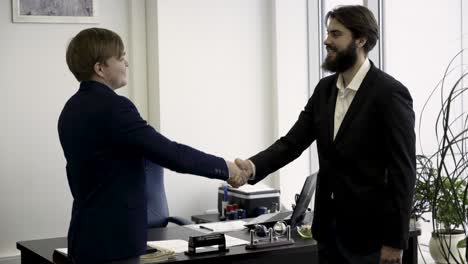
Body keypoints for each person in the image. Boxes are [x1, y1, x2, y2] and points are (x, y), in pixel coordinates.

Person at [234, 5, 415, 264]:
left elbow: (403, 172)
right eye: (327, 33)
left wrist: (395, 241)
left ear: (360, 39)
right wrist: (251, 168)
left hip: (371, 241)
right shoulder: (324, 90)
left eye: (336, 34)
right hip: (328, 234)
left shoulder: (390, 94)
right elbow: (291, 143)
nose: (326, 40)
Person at [59, 27, 247, 264]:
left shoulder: (71, 109)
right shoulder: (115, 108)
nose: (126, 62)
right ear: (100, 68)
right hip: (115, 244)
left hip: (84, 238)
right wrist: (226, 168)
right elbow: (171, 154)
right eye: (120, 57)